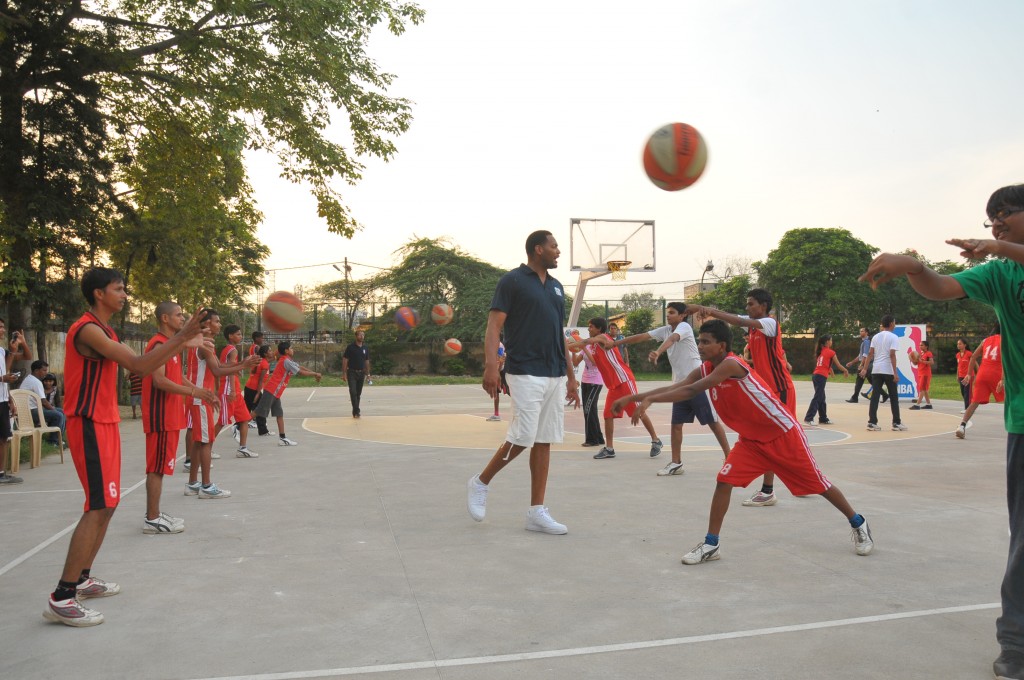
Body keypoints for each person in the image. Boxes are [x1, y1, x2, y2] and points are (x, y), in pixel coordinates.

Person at [858, 184, 1024, 680]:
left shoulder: (1001, 254)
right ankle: (1016, 641)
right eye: (990, 221)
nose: (995, 226)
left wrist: (997, 245)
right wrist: (912, 266)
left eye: (1005, 217)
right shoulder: (1000, 272)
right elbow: (943, 287)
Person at [612, 319, 873, 565]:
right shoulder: (706, 367)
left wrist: (648, 400)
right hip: (751, 441)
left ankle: (858, 522)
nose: (700, 347)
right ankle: (711, 544)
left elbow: (692, 390)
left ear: (722, 346)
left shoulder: (731, 364)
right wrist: (636, 397)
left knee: (818, 485)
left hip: (782, 435)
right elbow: (680, 385)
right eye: (699, 342)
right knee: (723, 481)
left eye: (705, 342)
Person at [43, 267, 206, 627]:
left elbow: (139, 364)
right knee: (98, 506)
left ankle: (82, 578)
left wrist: (183, 339)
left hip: (105, 424)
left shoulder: (105, 329)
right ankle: (62, 595)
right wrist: (182, 338)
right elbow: (138, 365)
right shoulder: (87, 328)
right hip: (88, 424)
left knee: (108, 506)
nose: (125, 294)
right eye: (119, 289)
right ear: (99, 293)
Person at [467, 230, 580, 535]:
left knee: (544, 439)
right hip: (524, 369)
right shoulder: (512, 281)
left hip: (555, 371)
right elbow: (494, 326)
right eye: (554, 246)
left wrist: (571, 377)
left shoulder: (556, 288)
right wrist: (491, 366)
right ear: (538, 249)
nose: (559, 251)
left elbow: (560, 335)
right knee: (523, 435)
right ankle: (481, 482)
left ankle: (536, 512)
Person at [685, 289, 794, 507]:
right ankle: (780, 485)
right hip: (765, 390)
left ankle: (769, 489)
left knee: (777, 439)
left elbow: (733, 318)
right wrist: (703, 310)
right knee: (770, 438)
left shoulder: (770, 323)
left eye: (751, 304)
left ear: (763, 306)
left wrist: (707, 310)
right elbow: (733, 319)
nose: (747, 308)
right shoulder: (753, 328)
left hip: (779, 388)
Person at [606, 301, 730, 475]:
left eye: (672, 312)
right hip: (680, 383)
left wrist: (658, 352)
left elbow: (672, 340)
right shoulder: (665, 330)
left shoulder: (684, 327)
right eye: (668, 312)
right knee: (676, 424)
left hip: (697, 381)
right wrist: (615, 343)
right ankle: (675, 463)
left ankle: (729, 458)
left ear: (682, 316)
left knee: (712, 422)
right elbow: (642, 336)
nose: (668, 315)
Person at [142, 302, 217, 534]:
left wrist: (199, 389)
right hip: (160, 415)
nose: (182, 318)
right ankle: (152, 519)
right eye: (178, 315)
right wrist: (195, 392)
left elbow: (177, 376)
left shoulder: (170, 345)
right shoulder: (157, 344)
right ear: (164, 318)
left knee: (161, 467)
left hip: (170, 415)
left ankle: (154, 514)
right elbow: (160, 381)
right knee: (156, 468)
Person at [183, 310, 255, 499]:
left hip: (200, 397)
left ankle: (192, 484)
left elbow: (218, 366)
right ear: (207, 324)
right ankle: (206, 486)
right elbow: (217, 370)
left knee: (200, 441)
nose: (220, 324)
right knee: (206, 442)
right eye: (217, 321)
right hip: (200, 398)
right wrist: (243, 366)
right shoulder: (204, 344)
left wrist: (241, 364)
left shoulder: (202, 343)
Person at [569, 317, 663, 461]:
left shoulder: (603, 337)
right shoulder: (593, 347)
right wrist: (573, 345)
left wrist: (570, 342)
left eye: (591, 326)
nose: (589, 329)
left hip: (624, 380)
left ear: (599, 329)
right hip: (613, 385)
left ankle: (656, 440)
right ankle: (609, 448)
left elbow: (586, 341)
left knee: (638, 412)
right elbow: (589, 354)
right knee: (608, 415)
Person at [252, 340, 322, 445]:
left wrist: (315, 373)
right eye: (291, 348)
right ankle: (238, 426)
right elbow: (301, 372)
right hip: (271, 391)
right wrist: (315, 374)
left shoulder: (288, 360)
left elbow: (300, 367)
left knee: (279, 414)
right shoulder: (286, 361)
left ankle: (282, 438)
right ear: (286, 350)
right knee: (257, 412)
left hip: (276, 392)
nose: (293, 349)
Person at [956, 323, 1003, 440]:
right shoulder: (1005, 340)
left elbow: (973, 357)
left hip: (982, 374)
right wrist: (1002, 379)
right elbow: (1006, 361)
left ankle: (962, 426)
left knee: (974, 402)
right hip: (996, 374)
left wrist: (968, 374)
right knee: (1011, 400)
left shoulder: (985, 340)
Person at [219, 324, 258, 457]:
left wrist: (242, 364)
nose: (240, 336)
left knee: (245, 418)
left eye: (241, 334)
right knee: (222, 421)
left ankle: (243, 448)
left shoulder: (229, 349)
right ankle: (206, 447)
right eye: (238, 334)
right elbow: (230, 370)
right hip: (230, 389)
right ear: (230, 336)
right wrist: (232, 391)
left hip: (235, 389)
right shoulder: (232, 350)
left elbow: (232, 367)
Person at [0, 319, 31, 484]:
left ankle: (1, 472)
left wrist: (22, 343)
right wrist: (2, 378)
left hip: (2, 399)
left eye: (3, 326)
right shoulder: (6, 353)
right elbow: (4, 375)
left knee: (4, 437)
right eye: (0, 327)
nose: (3, 330)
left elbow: (27, 356)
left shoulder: (2, 351)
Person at [862, 315, 905, 432]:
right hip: (888, 370)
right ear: (891, 324)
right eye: (894, 323)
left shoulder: (876, 336)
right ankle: (896, 422)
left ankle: (872, 422)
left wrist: (865, 369)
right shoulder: (894, 337)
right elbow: (892, 355)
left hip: (876, 369)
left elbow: (870, 354)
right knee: (894, 397)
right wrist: (895, 373)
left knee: (875, 397)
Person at [804, 335, 849, 426]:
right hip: (820, 377)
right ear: (827, 342)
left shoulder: (820, 353)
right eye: (831, 340)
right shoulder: (831, 352)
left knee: (821, 397)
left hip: (816, 376)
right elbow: (838, 365)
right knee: (818, 397)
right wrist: (845, 370)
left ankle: (823, 418)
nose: (832, 342)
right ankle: (808, 418)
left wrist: (831, 371)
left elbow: (825, 365)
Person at [21, 359, 66, 444]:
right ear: (36, 371)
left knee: (62, 412)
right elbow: (44, 402)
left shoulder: (30, 379)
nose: (46, 373)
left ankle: (59, 439)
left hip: (33, 409)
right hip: (30, 412)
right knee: (58, 415)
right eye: (44, 370)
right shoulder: (35, 382)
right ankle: (53, 442)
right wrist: (54, 409)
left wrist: (53, 409)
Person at [572, 338, 604, 447]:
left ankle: (592, 439)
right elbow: (575, 363)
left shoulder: (599, 347)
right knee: (591, 410)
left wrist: (583, 348)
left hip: (595, 382)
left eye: (591, 327)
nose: (589, 329)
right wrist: (573, 351)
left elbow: (595, 363)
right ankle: (599, 437)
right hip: (585, 381)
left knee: (588, 409)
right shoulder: (586, 348)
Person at [341, 329, 371, 418]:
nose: (362, 336)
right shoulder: (350, 347)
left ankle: (355, 411)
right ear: (356, 336)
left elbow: (367, 361)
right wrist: (344, 373)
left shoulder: (365, 348)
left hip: (361, 373)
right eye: (360, 335)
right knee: (353, 392)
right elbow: (345, 360)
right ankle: (356, 411)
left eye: (363, 335)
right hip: (352, 372)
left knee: (358, 393)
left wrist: (368, 374)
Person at [244, 344, 271, 434]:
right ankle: (263, 430)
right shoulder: (265, 364)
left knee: (247, 409)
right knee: (261, 409)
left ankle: (238, 426)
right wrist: (258, 393)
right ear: (265, 354)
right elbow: (260, 381)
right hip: (254, 389)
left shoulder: (259, 361)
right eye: (270, 351)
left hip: (248, 387)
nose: (271, 352)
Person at [845, 327, 871, 403]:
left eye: (862, 331)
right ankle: (885, 395)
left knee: (859, 381)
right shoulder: (864, 342)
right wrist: (852, 362)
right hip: (867, 365)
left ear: (866, 333)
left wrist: (862, 365)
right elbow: (860, 355)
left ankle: (855, 397)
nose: (860, 332)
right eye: (860, 331)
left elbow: (865, 355)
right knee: (872, 381)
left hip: (866, 365)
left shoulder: (866, 342)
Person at [910, 340, 934, 410]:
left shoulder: (928, 353)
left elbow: (931, 362)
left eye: (922, 345)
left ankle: (917, 405)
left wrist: (922, 361)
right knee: (925, 390)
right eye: (920, 345)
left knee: (922, 389)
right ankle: (928, 404)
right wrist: (912, 359)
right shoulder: (920, 354)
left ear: (926, 346)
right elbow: (916, 364)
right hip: (920, 373)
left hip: (925, 374)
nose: (920, 346)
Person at [488, 341, 508, 422]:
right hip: (498, 370)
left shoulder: (498, 345)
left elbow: (501, 360)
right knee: (496, 392)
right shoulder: (492, 345)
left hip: (502, 371)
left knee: (511, 392)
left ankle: (520, 412)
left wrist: (498, 371)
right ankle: (496, 414)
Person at [956, 337, 974, 413]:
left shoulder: (969, 354)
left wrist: (975, 374)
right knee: (963, 392)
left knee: (967, 392)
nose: (958, 345)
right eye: (958, 344)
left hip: (968, 376)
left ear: (965, 345)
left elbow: (974, 364)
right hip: (961, 376)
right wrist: (957, 375)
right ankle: (971, 406)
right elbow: (958, 366)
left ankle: (967, 409)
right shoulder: (957, 355)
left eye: (960, 344)